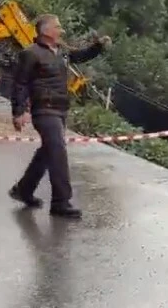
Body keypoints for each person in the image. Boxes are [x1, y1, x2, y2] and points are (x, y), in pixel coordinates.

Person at [9, 15, 110, 218]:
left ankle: (23, 190)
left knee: (48, 151)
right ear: (45, 31)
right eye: (58, 27)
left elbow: (80, 56)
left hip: (61, 108)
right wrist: (19, 112)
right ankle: (61, 202)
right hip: (43, 110)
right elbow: (20, 83)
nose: (61, 31)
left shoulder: (62, 52)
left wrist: (98, 47)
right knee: (58, 151)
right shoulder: (30, 54)